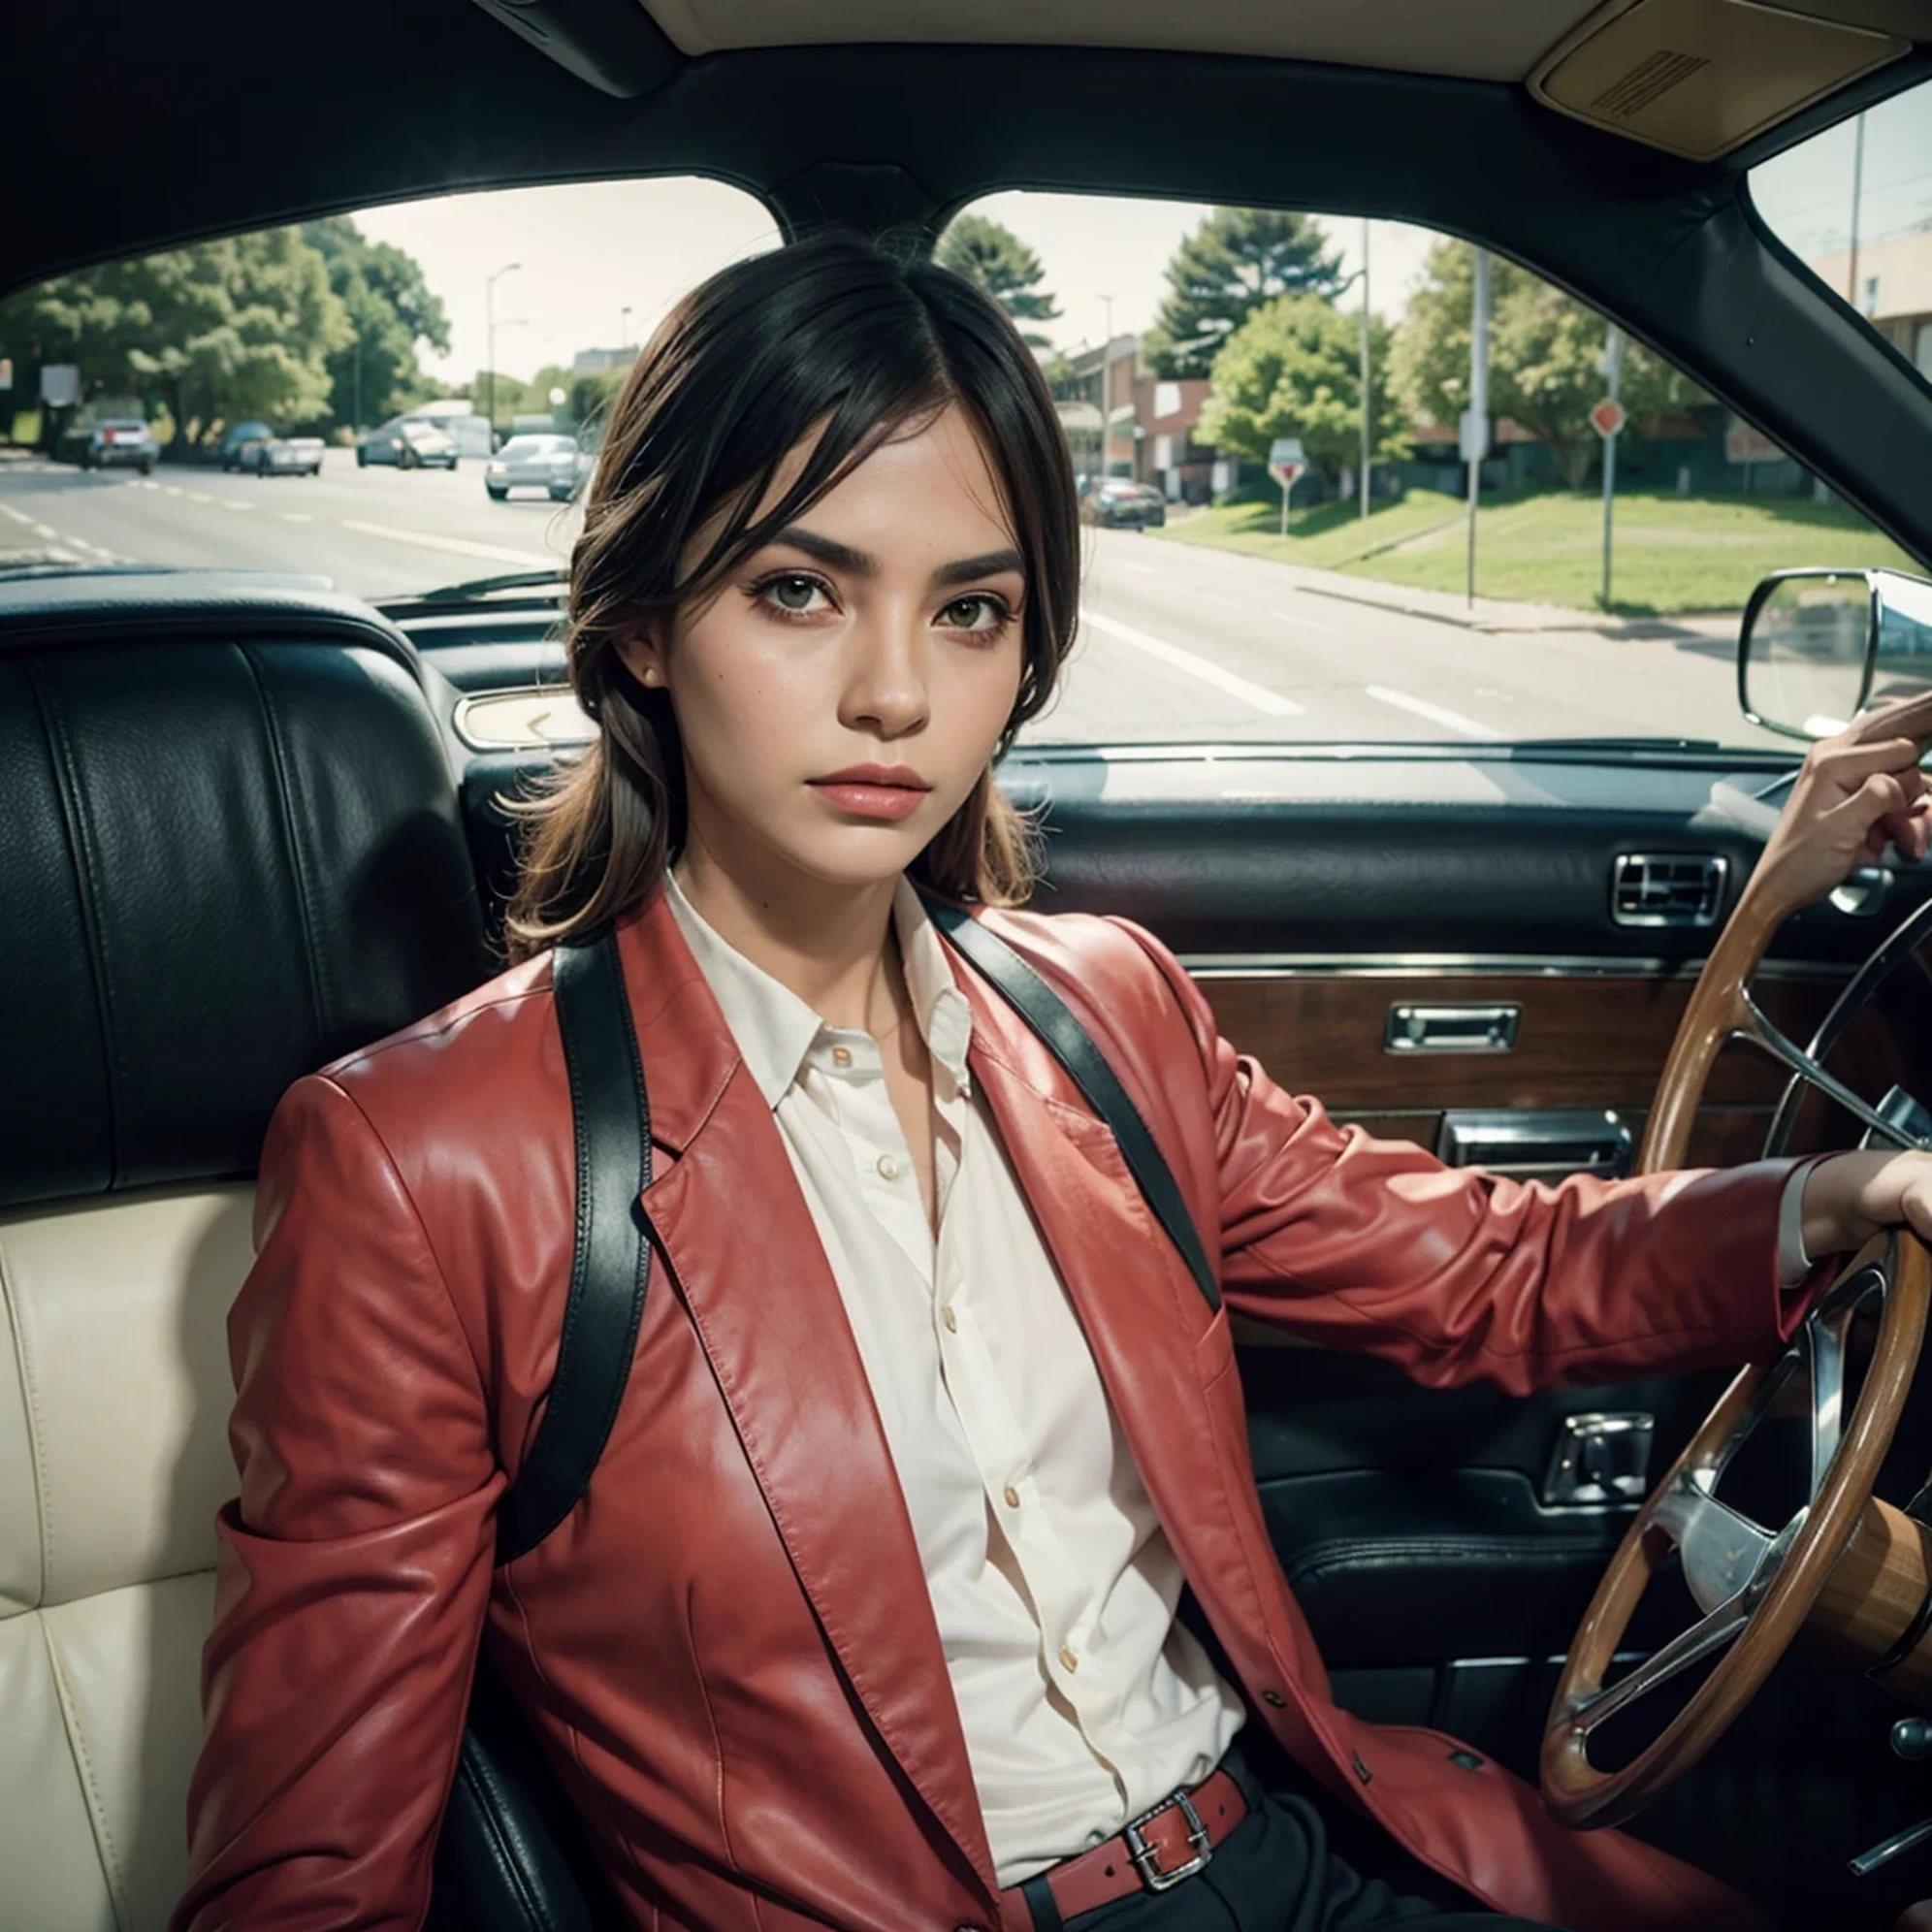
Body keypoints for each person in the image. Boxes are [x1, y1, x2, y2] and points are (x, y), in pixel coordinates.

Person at [172, 231, 1932, 1932]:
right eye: (799, 589)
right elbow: (310, 1876)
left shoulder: (1103, 1011)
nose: (892, 694)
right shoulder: (424, 1164)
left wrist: (1831, 1200)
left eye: (971, 611)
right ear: (640, 624)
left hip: (1295, 1854)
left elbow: (1482, 1266)